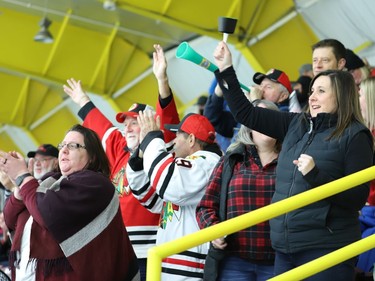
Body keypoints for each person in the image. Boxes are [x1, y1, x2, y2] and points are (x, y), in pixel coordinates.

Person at [212, 41, 373, 280]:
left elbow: (356, 198)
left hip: (326, 248)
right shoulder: (295, 124)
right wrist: (226, 69)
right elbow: (245, 113)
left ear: (340, 95)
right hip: (285, 247)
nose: (313, 97)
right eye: (312, 91)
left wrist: (315, 175)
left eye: (321, 91)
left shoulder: (355, 135)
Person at [63, 44, 180, 280]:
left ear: (149, 124)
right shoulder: (119, 150)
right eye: (125, 123)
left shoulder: (158, 147)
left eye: (134, 122)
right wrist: (82, 99)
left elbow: (167, 117)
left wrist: (162, 79)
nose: (127, 127)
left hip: (152, 251)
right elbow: (101, 125)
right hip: (119, 250)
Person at [0, 124, 140, 281]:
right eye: (63, 145)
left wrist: (22, 176)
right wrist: (19, 187)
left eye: (73, 146)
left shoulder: (96, 183)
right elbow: (11, 219)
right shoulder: (46, 183)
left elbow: (48, 213)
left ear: (92, 156)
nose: (64, 150)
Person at [126, 111, 222, 281]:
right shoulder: (192, 164)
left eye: (178, 135)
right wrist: (138, 159)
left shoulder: (207, 162)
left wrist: (153, 139)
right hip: (171, 264)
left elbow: (170, 185)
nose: (174, 141)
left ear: (191, 140)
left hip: (188, 267)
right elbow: (150, 198)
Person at [196, 99, 281, 281]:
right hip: (234, 260)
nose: (265, 123)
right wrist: (214, 231)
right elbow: (205, 206)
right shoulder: (232, 160)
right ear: (248, 126)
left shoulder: (293, 160)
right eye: (259, 118)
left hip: (280, 260)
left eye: (271, 118)